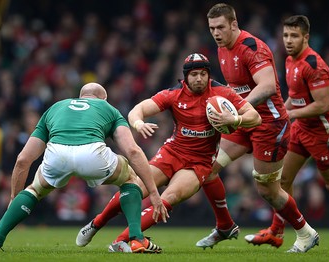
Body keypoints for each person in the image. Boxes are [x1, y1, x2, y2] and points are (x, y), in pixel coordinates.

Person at [75, 53, 262, 252]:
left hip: (199, 162)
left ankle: (121, 240)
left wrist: (234, 120)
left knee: (170, 197)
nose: (199, 78)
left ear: (208, 75)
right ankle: (96, 224)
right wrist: (138, 123)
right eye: (194, 75)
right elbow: (138, 109)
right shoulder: (173, 94)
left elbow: (255, 117)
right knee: (136, 188)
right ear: (186, 77)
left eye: (203, 74)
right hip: (172, 152)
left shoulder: (222, 93)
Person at [196, 3, 319, 253]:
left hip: (269, 125)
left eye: (220, 27)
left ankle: (306, 233)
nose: (216, 33)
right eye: (211, 28)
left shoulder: (253, 48)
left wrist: (237, 109)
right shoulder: (222, 49)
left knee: (267, 190)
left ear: (234, 24)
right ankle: (224, 226)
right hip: (243, 123)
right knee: (205, 169)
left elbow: (267, 87)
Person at [0, 82, 168, 253]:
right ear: (104, 99)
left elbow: (23, 160)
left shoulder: (55, 108)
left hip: (57, 154)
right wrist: (153, 192)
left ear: (80, 97)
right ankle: (137, 238)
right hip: (92, 154)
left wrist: (14, 199)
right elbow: (133, 150)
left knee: (34, 189)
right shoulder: (108, 109)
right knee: (130, 177)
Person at [256, 15, 329, 252]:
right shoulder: (289, 61)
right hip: (302, 129)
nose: (288, 40)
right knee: (283, 179)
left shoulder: (314, 65)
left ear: (306, 37)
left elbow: (323, 105)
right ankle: (276, 231)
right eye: (286, 35)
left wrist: (290, 115)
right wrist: (282, 110)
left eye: (294, 36)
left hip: (323, 131)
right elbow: (295, 96)